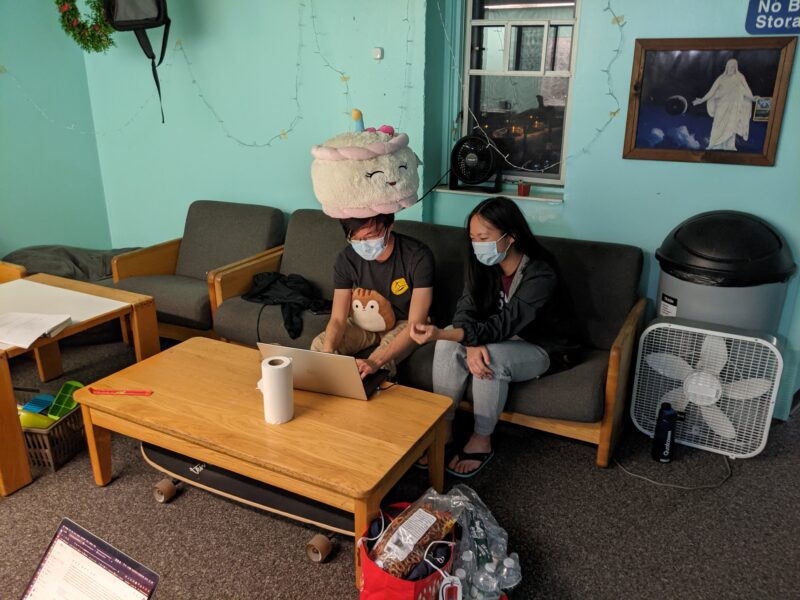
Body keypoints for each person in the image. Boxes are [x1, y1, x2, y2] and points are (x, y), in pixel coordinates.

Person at [410, 196, 565, 478]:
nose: (477, 244)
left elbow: (508, 323)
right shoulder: (481, 263)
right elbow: (465, 307)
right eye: (473, 237)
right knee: (447, 344)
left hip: (539, 345)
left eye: (484, 237)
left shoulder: (540, 272)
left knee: (488, 358)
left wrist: (462, 338)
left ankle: (482, 438)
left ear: (511, 236)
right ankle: (444, 430)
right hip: (492, 335)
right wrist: (467, 341)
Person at [311, 213, 434, 379]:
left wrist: (375, 362)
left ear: (390, 227)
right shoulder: (347, 259)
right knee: (320, 346)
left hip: (405, 323)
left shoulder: (417, 256)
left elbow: (416, 323)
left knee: (373, 367)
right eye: (356, 238)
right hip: (365, 320)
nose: (364, 244)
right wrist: (327, 352)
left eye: (370, 236)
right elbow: (338, 319)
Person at [692, 58, 755, 151]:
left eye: (734, 67)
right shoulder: (721, 78)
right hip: (722, 106)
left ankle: (730, 146)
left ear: (736, 68)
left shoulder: (740, 77)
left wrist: (753, 99)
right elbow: (712, 92)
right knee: (717, 125)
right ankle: (714, 144)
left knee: (732, 126)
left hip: (734, 106)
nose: (732, 68)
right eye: (730, 66)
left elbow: (746, 90)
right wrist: (702, 100)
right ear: (727, 67)